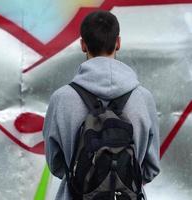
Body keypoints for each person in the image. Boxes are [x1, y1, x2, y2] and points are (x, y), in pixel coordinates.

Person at [43, 10, 160, 200]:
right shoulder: (143, 98)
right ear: (118, 42)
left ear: (83, 44)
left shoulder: (61, 99)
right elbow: (151, 167)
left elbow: (56, 163)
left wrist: (85, 182)